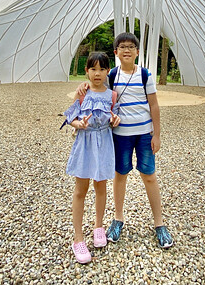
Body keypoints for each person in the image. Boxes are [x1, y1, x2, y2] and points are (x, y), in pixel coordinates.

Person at [76, 32, 174, 249]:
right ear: (116, 52)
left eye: (131, 47)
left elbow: (154, 105)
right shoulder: (112, 75)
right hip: (120, 134)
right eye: (122, 47)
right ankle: (118, 219)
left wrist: (157, 134)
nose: (126, 50)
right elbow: (97, 86)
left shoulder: (145, 75)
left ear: (137, 52)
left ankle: (159, 223)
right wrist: (83, 86)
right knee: (120, 175)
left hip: (144, 133)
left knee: (149, 176)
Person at [63, 51, 121, 264]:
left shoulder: (112, 95)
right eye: (93, 69)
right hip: (85, 143)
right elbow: (70, 117)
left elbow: (116, 116)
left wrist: (115, 120)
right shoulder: (82, 93)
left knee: (100, 187)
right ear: (86, 71)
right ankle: (78, 238)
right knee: (81, 189)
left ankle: (98, 226)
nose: (97, 73)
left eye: (102, 69)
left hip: (103, 143)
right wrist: (78, 124)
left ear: (108, 71)